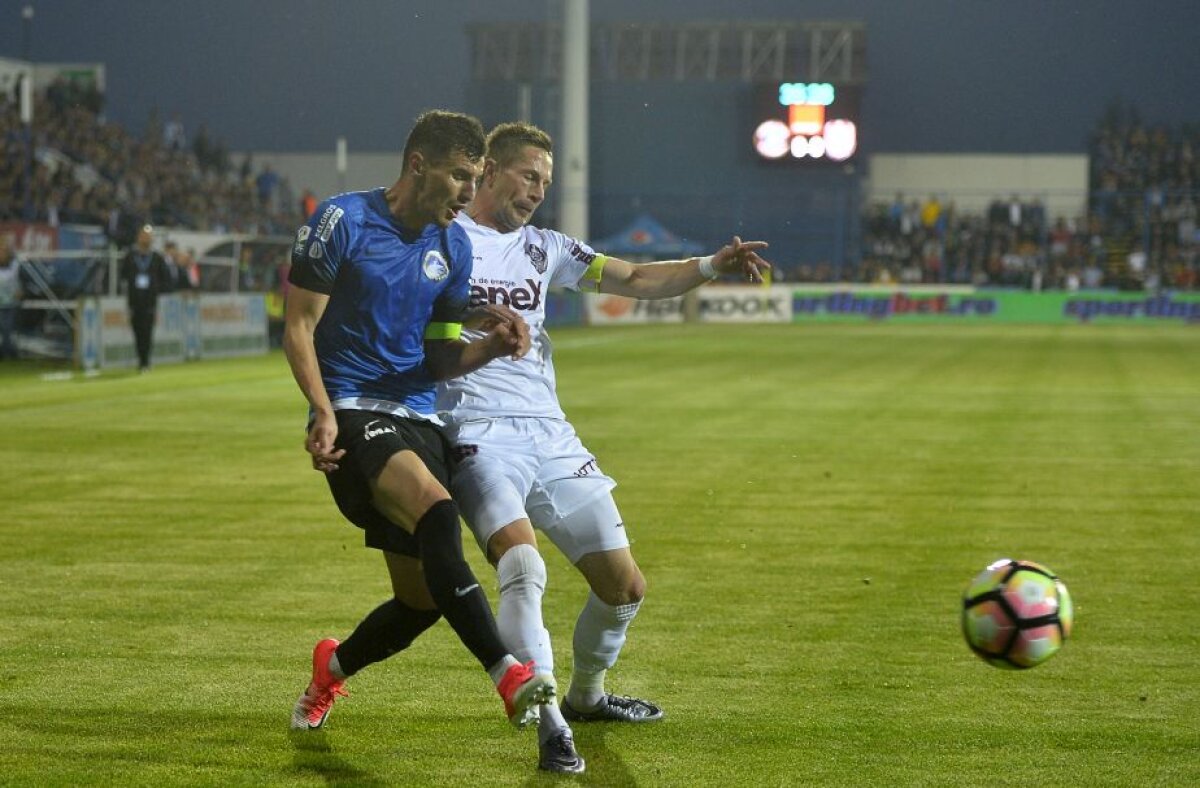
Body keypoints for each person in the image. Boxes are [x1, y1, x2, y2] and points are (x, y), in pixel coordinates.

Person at [283, 110, 554, 736]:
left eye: (474, 178)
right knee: (438, 512)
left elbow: (438, 357)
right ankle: (508, 674)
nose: (467, 193)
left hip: (416, 415)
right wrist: (323, 410)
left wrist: (490, 343)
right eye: (460, 177)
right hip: (354, 408)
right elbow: (299, 326)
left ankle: (332, 669)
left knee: (422, 602)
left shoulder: (452, 246)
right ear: (417, 165)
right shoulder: (341, 221)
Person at [118, 224, 173, 372]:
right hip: (134, 300)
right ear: (138, 237)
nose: (146, 238)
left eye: (149, 236)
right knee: (137, 330)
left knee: (148, 331)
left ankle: (145, 361)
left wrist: (156, 289)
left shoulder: (156, 257)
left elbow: (166, 278)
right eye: (143, 235)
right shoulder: (130, 256)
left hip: (150, 301)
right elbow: (122, 276)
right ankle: (141, 359)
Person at [0, 235, 24, 359]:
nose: (2, 251)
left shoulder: (15, 264)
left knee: (7, 329)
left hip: (9, 302)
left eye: (4, 249)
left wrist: (19, 290)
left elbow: (19, 281)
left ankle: (7, 352)